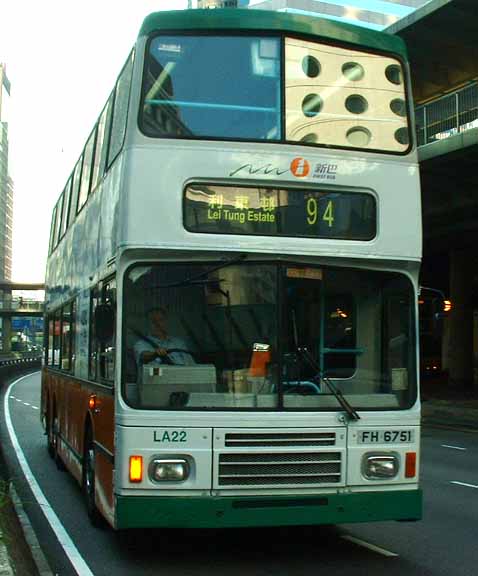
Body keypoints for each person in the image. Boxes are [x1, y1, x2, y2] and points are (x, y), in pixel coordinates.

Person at [134, 308, 195, 378]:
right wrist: (155, 354)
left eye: (160, 320)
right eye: (153, 321)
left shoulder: (179, 343)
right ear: (147, 324)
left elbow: (192, 368)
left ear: (166, 323)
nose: (157, 324)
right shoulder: (141, 344)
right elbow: (144, 356)